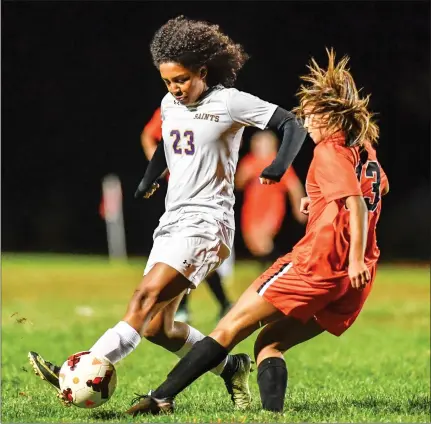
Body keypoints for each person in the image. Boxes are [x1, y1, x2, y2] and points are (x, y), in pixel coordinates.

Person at [27, 15, 307, 410]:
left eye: (182, 80)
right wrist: (149, 178)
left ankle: (82, 367)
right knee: (159, 327)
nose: (174, 89)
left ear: (203, 72)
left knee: (143, 298)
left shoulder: (228, 101)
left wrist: (277, 166)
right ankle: (231, 368)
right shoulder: (169, 103)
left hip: (208, 223)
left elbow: (291, 123)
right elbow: (166, 144)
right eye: (167, 82)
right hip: (173, 220)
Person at [125, 48, 389, 416]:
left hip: (317, 264)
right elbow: (374, 193)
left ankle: (161, 396)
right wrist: (321, 204)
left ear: (331, 115)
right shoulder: (365, 150)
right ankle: (273, 416)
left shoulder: (329, 151)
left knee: (229, 327)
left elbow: (356, 204)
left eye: (311, 115)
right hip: (351, 284)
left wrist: (354, 251)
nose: (307, 122)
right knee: (269, 342)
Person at [141, 107, 234, 323]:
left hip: (206, 194)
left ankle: (189, 307)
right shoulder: (173, 108)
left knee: (195, 250)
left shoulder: (218, 107)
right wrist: (158, 167)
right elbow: (148, 135)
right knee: (190, 250)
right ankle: (216, 305)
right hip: (181, 194)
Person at [236, 130, 307, 266]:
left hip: (271, 207)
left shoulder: (278, 164)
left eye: (262, 143)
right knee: (253, 243)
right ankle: (273, 265)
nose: (258, 147)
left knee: (262, 240)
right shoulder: (250, 162)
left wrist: (298, 207)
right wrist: (243, 176)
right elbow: (238, 184)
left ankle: (279, 267)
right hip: (252, 208)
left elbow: (294, 187)